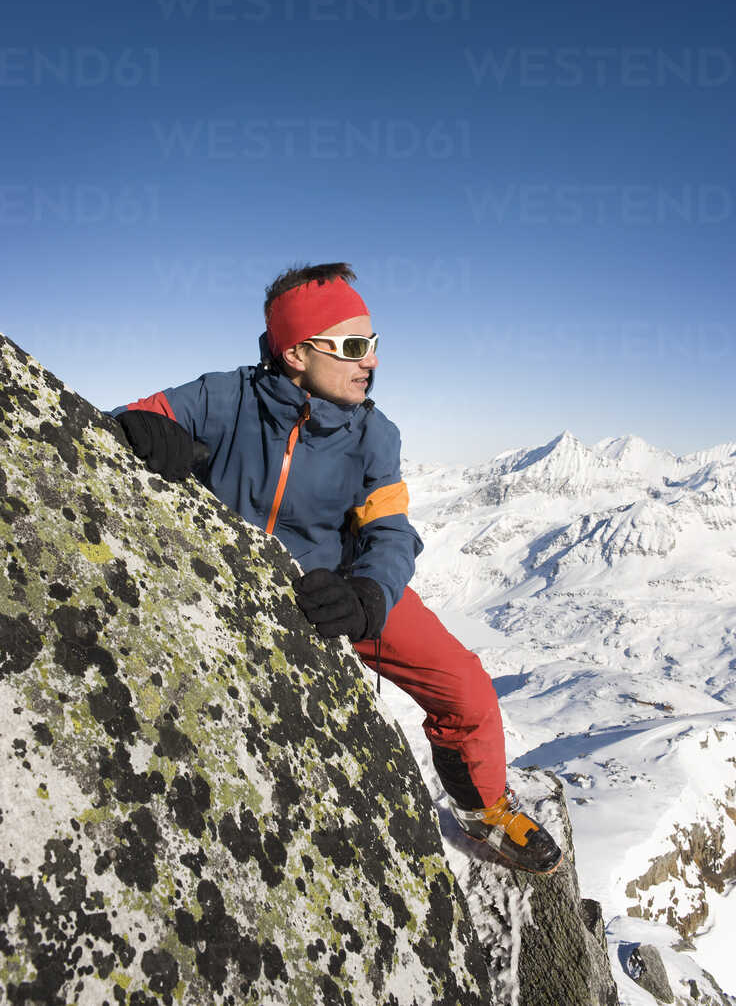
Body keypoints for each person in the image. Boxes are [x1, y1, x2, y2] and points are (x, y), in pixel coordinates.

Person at [111, 263, 561, 874]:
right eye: (352, 347)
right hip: (235, 570)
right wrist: (143, 430)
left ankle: (482, 810)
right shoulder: (226, 397)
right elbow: (138, 416)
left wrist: (369, 595)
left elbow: (390, 530)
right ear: (297, 353)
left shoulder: (375, 435)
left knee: (466, 687)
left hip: (339, 584)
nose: (369, 362)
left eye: (371, 345)